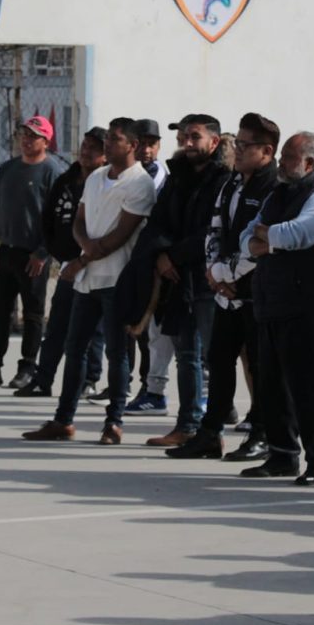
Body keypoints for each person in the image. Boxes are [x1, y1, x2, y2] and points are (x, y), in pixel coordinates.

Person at [22, 118, 157, 444]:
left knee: (116, 352)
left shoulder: (140, 184)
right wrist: (83, 251)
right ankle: (63, 420)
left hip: (116, 280)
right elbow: (79, 222)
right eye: (107, 138)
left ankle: (114, 422)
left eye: (115, 139)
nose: (107, 144)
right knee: (75, 348)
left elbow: (120, 235)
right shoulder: (96, 177)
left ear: (133, 146)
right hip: (87, 278)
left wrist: (82, 259)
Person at [169, 113, 281, 462]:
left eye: (246, 146)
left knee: (260, 368)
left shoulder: (274, 187)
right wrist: (214, 272)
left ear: (267, 151)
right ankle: (209, 433)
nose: (239, 150)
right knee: (218, 361)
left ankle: (262, 433)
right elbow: (215, 228)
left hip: (254, 292)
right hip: (224, 290)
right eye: (239, 144)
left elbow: (261, 242)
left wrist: (229, 274)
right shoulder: (233, 183)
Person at [238, 132, 314, 485]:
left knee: (306, 384)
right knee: (270, 384)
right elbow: (247, 237)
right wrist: (266, 241)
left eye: (288, 157)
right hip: (270, 298)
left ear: (309, 163)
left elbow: (307, 231)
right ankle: (282, 454)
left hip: (302, 302)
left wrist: (269, 239)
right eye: (282, 156)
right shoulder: (279, 192)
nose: (281, 163)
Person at [142, 114, 231, 447]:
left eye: (195, 137)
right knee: (186, 356)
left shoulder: (224, 179)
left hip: (208, 280)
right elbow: (158, 221)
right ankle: (188, 425)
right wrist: (160, 255)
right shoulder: (176, 177)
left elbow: (212, 230)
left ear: (214, 142)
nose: (187, 143)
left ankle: (215, 429)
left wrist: (174, 255)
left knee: (215, 357)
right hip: (178, 280)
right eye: (183, 137)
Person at [0, 115, 66, 389]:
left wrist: (43, 252)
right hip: (5, 252)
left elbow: (57, 218)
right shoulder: (8, 168)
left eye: (33, 135)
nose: (27, 140)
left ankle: (28, 368)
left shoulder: (52, 172)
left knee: (32, 313)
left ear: (46, 141)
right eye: (24, 134)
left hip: (33, 256)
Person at [17, 128, 108, 399]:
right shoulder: (66, 179)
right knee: (57, 324)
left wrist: (85, 257)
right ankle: (43, 379)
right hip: (69, 263)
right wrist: (56, 251)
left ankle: (89, 379)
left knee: (92, 329)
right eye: (85, 144)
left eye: (94, 147)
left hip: (96, 263)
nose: (87, 151)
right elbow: (49, 218)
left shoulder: (104, 182)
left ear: (105, 155)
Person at [127, 117, 172, 412]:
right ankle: (139, 385)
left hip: (160, 261)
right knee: (135, 327)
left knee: (157, 331)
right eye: (141, 143)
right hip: (131, 258)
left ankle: (153, 388)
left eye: (151, 144)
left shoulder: (168, 177)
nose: (146, 149)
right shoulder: (124, 175)